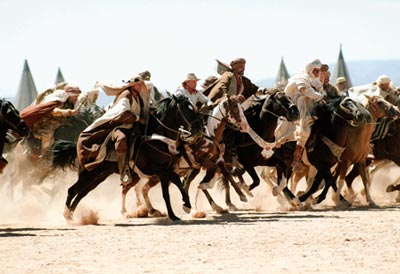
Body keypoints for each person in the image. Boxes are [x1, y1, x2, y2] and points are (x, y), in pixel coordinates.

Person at [77, 75, 148, 184]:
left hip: (133, 126)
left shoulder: (139, 98)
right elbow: (122, 113)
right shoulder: (126, 94)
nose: (139, 86)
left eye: (140, 84)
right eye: (137, 84)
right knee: (122, 139)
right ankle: (123, 171)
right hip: (120, 126)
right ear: (132, 85)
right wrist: (138, 119)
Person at [20, 84, 81, 157]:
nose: (76, 98)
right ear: (70, 95)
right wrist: (69, 112)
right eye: (75, 96)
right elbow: (53, 111)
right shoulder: (60, 99)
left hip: (57, 125)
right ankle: (38, 155)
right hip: (43, 124)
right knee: (46, 136)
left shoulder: (70, 102)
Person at [284, 59, 324, 172]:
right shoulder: (302, 78)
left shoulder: (315, 80)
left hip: (309, 103)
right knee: (305, 128)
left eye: (318, 70)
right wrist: (321, 97)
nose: (317, 72)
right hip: (296, 104)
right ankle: (296, 159)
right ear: (310, 69)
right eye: (315, 70)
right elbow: (305, 91)